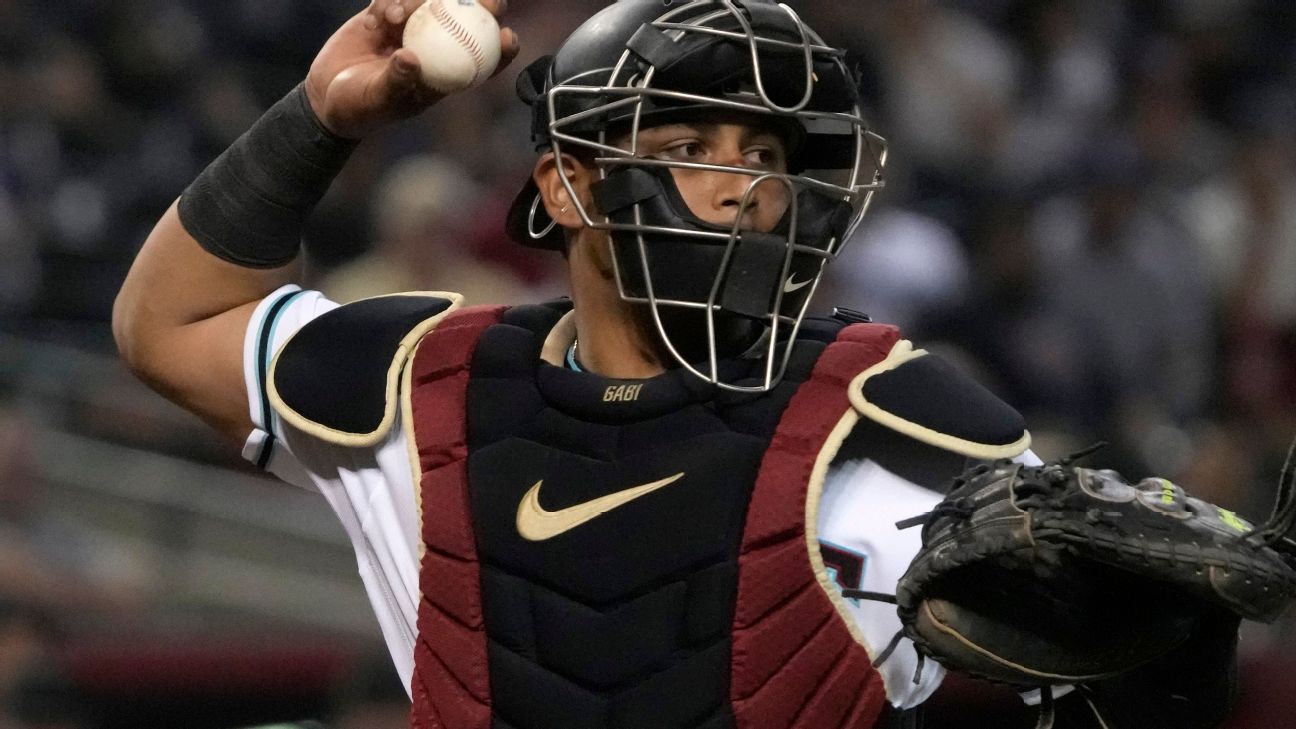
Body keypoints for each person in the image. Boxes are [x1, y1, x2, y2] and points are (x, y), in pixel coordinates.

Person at [113, 1, 1238, 727]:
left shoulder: (901, 422)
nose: (738, 183)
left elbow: (1112, 679)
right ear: (565, 187)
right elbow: (165, 326)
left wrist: (1168, 656)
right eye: (688, 148)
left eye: (763, 154)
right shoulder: (423, 381)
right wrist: (322, 115)